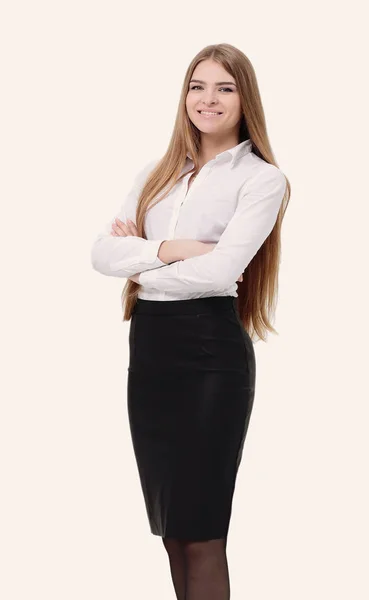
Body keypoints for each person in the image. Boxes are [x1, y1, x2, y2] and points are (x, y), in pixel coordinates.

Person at [91, 43, 290, 600]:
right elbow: (101, 255)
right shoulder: (158, 174)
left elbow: (221, 271)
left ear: (244, 98)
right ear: (184, 96)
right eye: (198, 86)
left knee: (202, 533)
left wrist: (142, 260)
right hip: (150, 354)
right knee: (173, 532)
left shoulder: (261, 179)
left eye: (224, 88)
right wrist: (175, 249)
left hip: (209, 354)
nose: (209, 99)